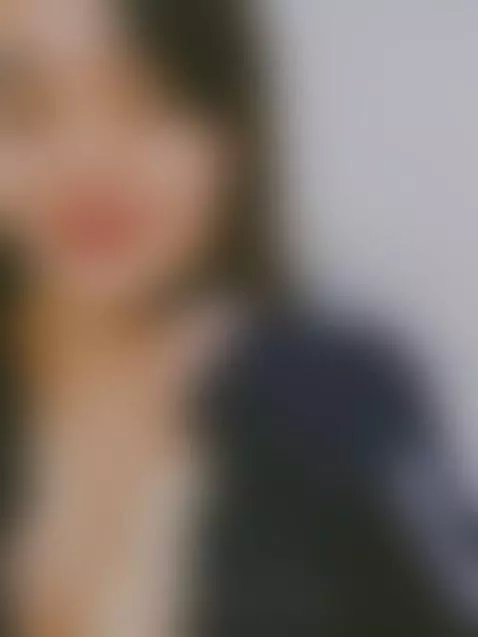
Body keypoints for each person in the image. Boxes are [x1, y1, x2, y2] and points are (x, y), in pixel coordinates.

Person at [0, 1, 476, 635]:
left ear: (230, 130)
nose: (90, 158)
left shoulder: (336, 400)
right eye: (29, 109)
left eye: (151, 100)